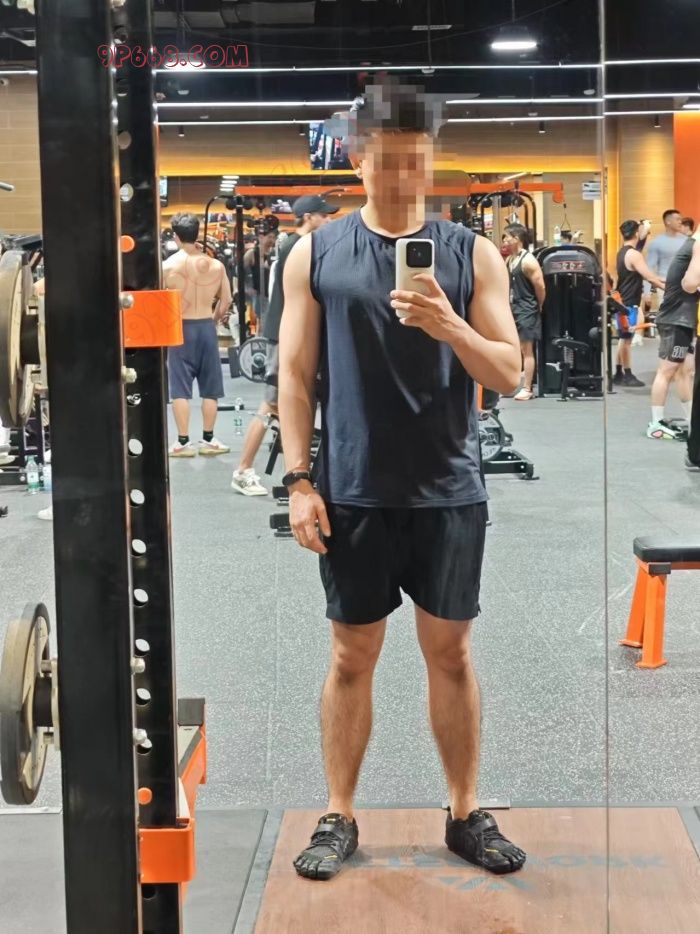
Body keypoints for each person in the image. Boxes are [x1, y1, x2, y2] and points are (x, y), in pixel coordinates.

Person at [278, 77, 526, 882]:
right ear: (358, 161)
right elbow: (294, 373)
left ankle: (464, 811)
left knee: (450, 653)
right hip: (351, 489)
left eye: (414, 161)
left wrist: (449, 324)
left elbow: (511, 374)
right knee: (352, 654)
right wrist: (299, 480)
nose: (399, 176)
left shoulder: (471, 253)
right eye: (385, 161)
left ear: (430, 162)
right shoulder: (315, 251)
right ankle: (339, 812)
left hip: (448, 488)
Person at [230, 196, 338, 496]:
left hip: (297, 332)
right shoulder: (297, 246)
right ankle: (243, 470)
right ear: (308, 216)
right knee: (272, 404)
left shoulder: (296, 245)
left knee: (296, 402)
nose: (329, 220)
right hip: (286, 335)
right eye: (324, 216)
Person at [163, 213, 232, 457]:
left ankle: (183, 442)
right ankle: (209, 439)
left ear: (176, 236)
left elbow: (158, 301)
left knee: (179, 388)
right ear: (196, 234)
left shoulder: (167, 266)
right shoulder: (215, 266)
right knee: (211, 387)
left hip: (179, 329)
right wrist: (213, 320)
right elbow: (226, 300)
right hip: (205, 327)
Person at [647, 234, 700, 441]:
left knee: (686, 372)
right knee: (666, 371)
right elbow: (690, 284)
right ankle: (656, 424)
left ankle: (691, 420)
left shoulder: (691, 246)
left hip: (684, 319)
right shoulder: (696, 245)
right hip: (675, 319)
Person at [612, 220, 665, 387]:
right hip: (629, 303)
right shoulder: (634, 255)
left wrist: (666, 280)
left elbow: (649, 276)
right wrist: (669, 288)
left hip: (623, 301)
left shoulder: (622, 252)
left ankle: (618, 373)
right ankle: (627, 374)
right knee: (626, 340)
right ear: (636, 233)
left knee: (623, 338)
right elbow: (649, 277)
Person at [503, 223, 546, 401]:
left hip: (527, 308)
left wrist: (539, 305)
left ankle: (528, 388)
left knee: (527, 349)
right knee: (515, 348)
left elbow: (540, 286)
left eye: (507, 237)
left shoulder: (528, 261)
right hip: (513, 307)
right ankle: (512, 384)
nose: (505, 240)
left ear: (517, 239)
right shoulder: (509, 259)